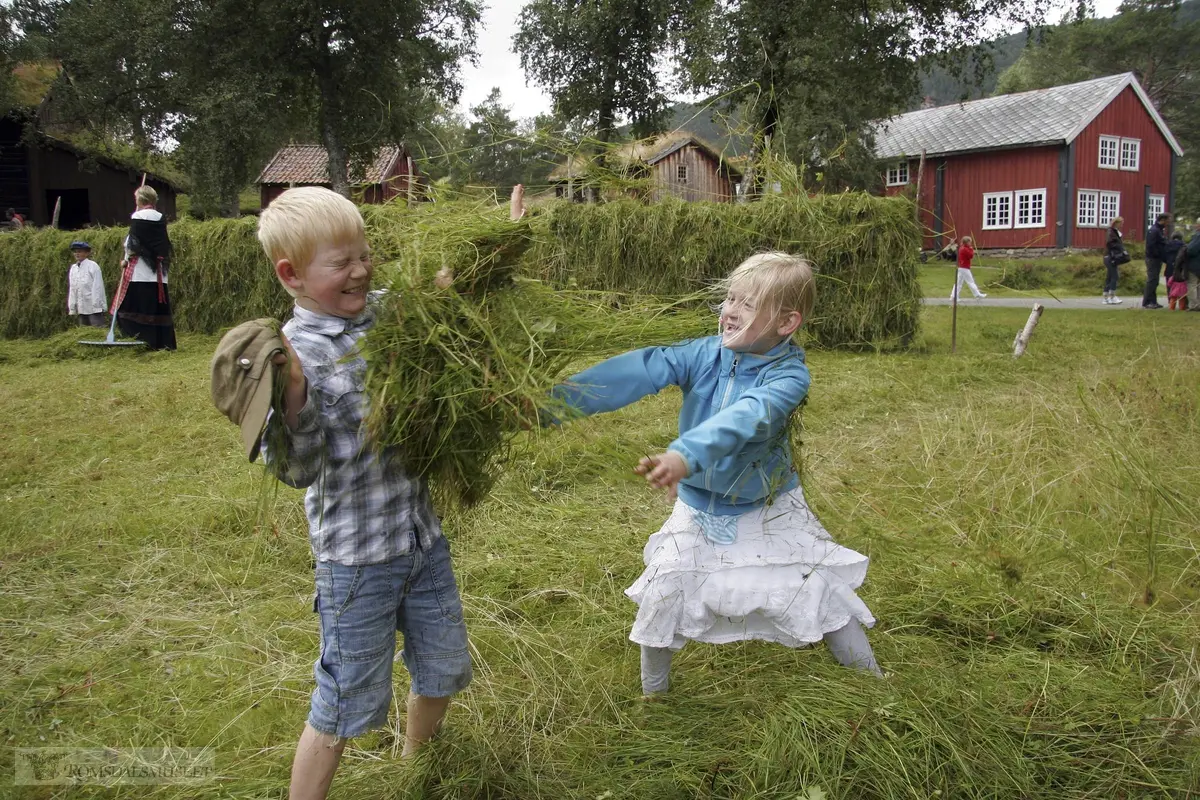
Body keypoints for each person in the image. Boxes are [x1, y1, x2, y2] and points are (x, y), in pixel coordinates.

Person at [545, 251, 880, 697]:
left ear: (786, 323)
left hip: (769, 509)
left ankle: (875, 687)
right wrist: (552, 405)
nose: (729, 311)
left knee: (815, 584)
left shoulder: (789, 378)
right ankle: (654, 699)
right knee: (666, 589)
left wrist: (684, 456)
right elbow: (640, 370)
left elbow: (747, 418)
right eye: (729, 298)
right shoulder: (704, 355)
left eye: (747, 304)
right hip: (699, 508)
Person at [255, 187, 471, 800]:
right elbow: (295, 470)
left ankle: (416, 767)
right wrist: (292, 401)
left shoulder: (382, 314)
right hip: (355, 560)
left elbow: (436, 293)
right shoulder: (296, 358)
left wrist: (497, 246)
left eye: (365, 255)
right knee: (345, 694)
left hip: (421, 537)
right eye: (342, 262)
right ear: (292, 275)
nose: (361, 271)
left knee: (442, 665)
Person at [116, 185, 176, 349]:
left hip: (140, 272)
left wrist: (126, 258)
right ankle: (161, 343)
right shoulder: (160, 218)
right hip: (158, 271)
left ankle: (138, 340)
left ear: (140, 200)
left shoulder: (138, 216)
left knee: (130, 305)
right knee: (156, 307)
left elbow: (132, 243)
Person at [66, 241, 107, 327]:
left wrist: (97, 305)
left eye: (80, 251)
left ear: (86, 253)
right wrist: (72, 306)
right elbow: (72, 288)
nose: (77, 254)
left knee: (97, 328)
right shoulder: (73, 268)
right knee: (84, 330)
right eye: (75, 252)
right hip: (81, 306)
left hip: (93, 306)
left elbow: (98, 286)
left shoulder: (93, 266)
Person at [1142, 213, 1169, 309]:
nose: (1168, 223)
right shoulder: (1154, 231)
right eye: (1167, 221)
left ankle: (1153, 301)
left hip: (1157, 258)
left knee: (1155, 280)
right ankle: (1147, 301)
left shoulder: (1159, 230)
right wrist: (1157, 255)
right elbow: (1150, 246)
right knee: (1152, 280)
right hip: (1153, 259)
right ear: (1163, 220)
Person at [950, 235, 986, 300]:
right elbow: (971, 256)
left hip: (961, 267)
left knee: (959, 282)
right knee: (970, 281)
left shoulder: (962, 248)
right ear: (966, 242)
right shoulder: (965, 249)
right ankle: (977, 294)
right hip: (964, 267)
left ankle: (953, 296)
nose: (970, 243)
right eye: (969, 242)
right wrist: (971, 249)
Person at [1102, 216, 1126, 305]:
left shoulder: (1114, 232)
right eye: (1121, 223)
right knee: (1114, 276)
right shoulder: (1111, 231)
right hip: (1110, 256)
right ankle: (1112, 296)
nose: (1122, 225)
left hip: (1110, 256)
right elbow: (1110, 242)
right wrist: (1119, 247)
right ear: (1117, 223)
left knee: (1109, 276)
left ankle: (1105, 297)